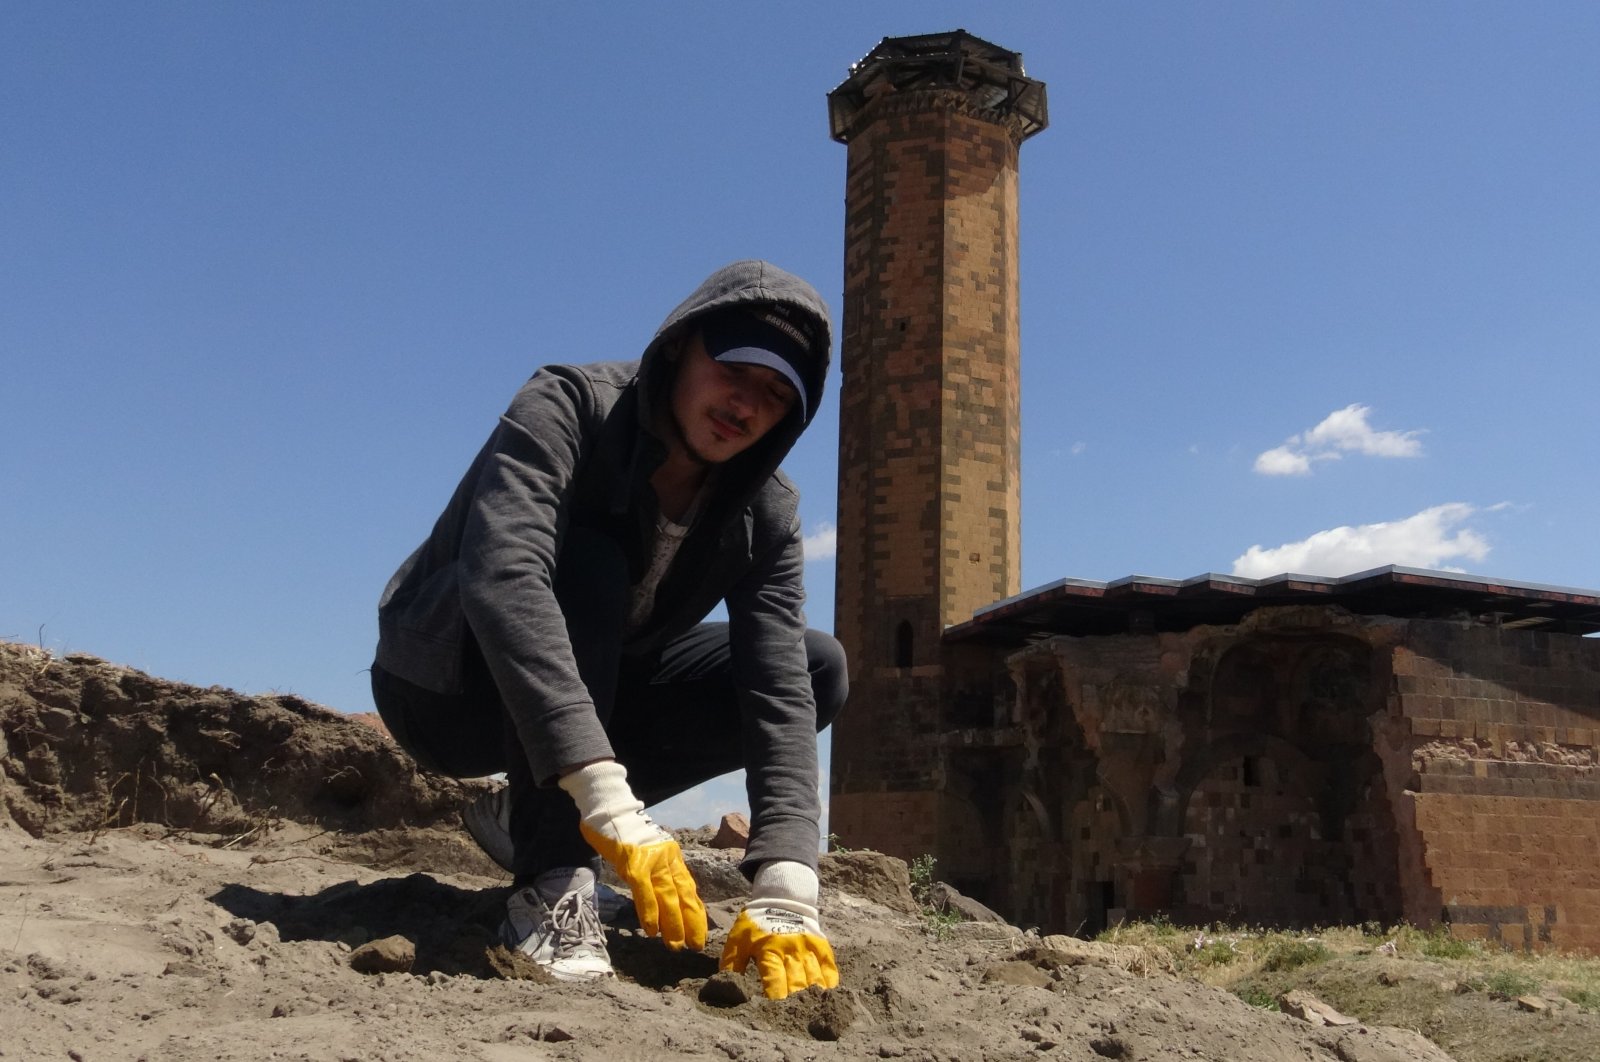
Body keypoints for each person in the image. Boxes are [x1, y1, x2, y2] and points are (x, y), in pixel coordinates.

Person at [370, 260, 846, 1000]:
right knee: (589, 563)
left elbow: (777, 684)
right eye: (736, 369)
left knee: (818, 668)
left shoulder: (767, 512)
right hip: (444, 684)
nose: (746, 406)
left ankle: (529, 813)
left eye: (777, 395)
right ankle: (552, 881)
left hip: (597, 686)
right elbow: (505, 574)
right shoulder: (566, 404)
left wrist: (789, 883)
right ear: (681, 348)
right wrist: (607, 802)